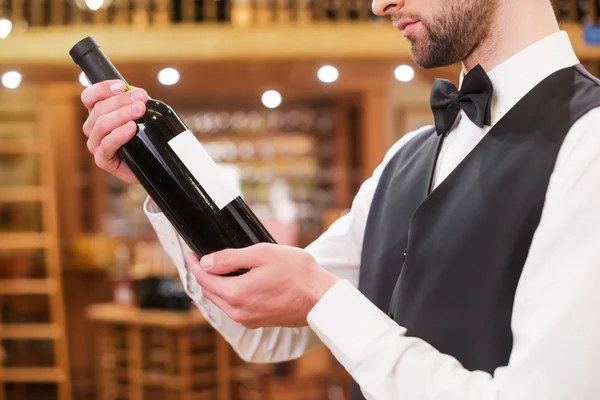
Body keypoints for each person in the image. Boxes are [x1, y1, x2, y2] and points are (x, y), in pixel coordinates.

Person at [79, 0, 600, 398]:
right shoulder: (406, 156)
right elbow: (265, 332)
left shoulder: (590, 141)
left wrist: (321, 297)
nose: (378, 5)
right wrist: (159, 178)